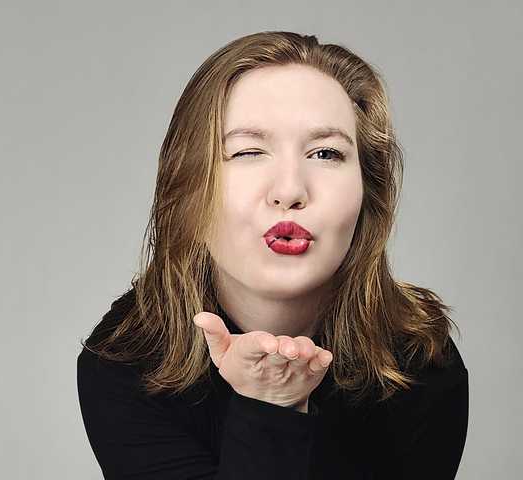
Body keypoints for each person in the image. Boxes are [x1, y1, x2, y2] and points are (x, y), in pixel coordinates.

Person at [77, 31, 469, 479]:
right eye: (248, 151)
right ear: (187, 190)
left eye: (325, 153)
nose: (289, 191)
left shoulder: (420, 361)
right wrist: (270, 406)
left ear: (368, 192)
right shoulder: (125, 363)